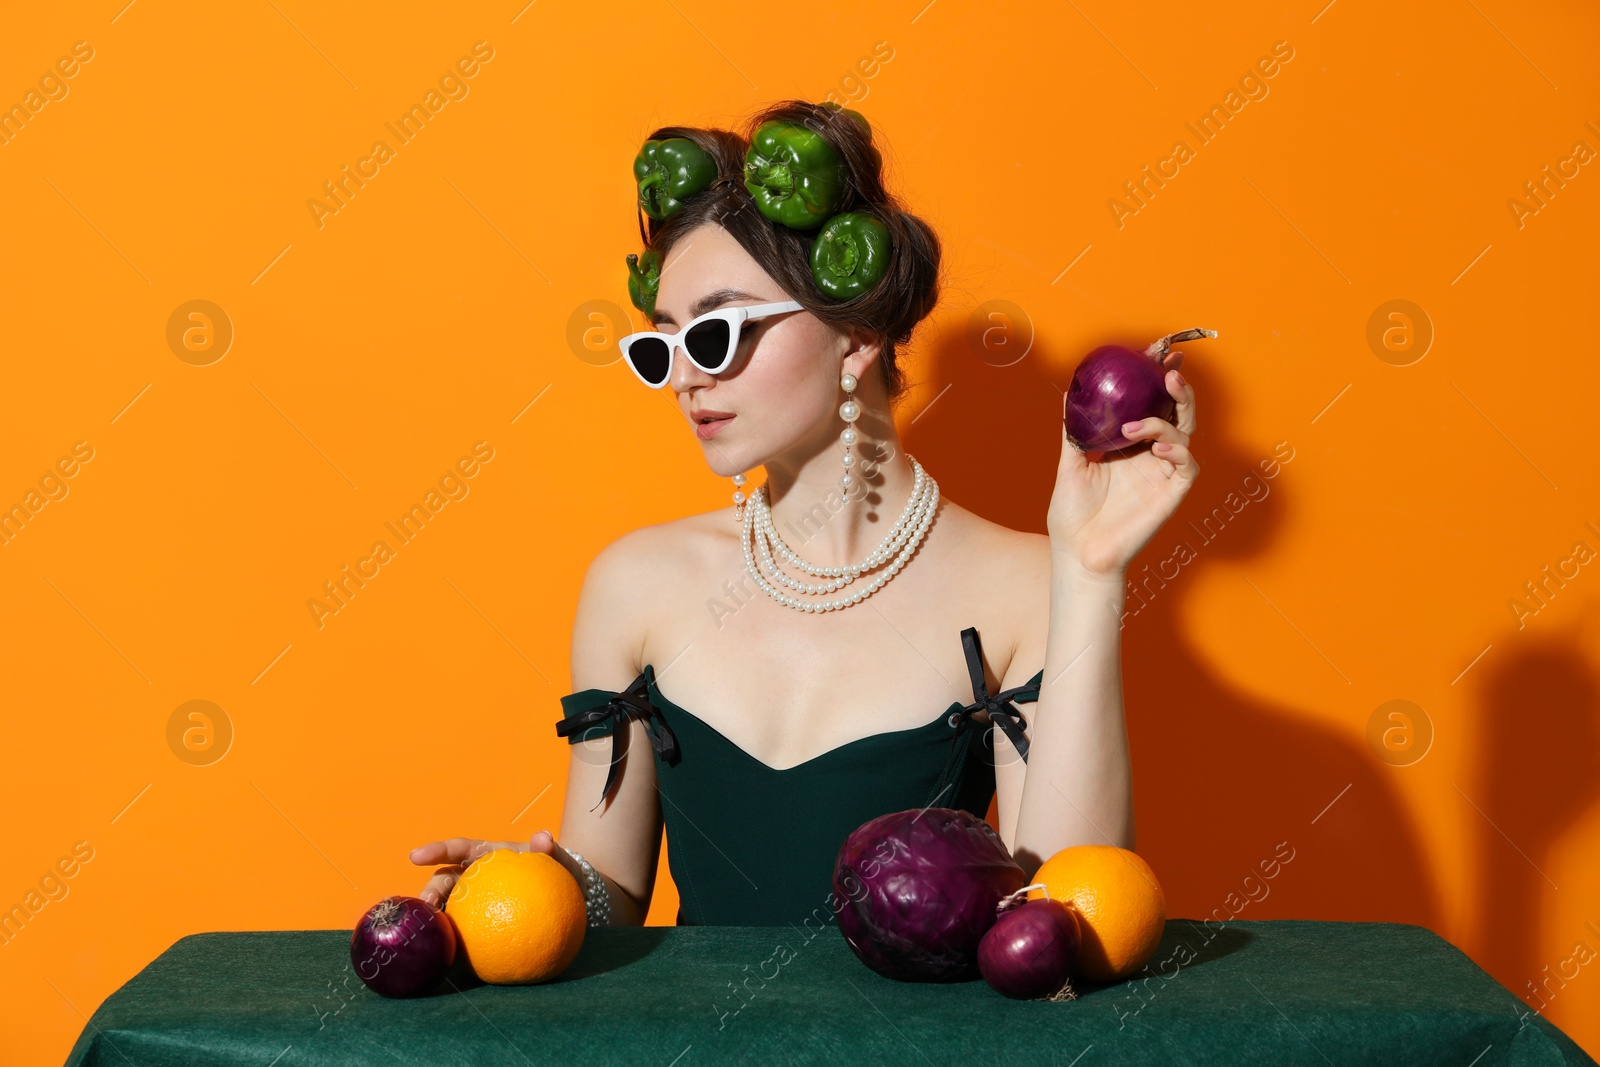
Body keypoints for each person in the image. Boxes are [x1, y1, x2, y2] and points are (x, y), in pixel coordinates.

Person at [409, 99, 1199, 928]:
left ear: (855, 336)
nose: (686, 378)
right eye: (663, 344)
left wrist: (1090, 571)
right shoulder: (635, 585)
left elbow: (1072, 913)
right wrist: (528, 894)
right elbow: (613, 900)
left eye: (715, 333)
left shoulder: (1023, 586)